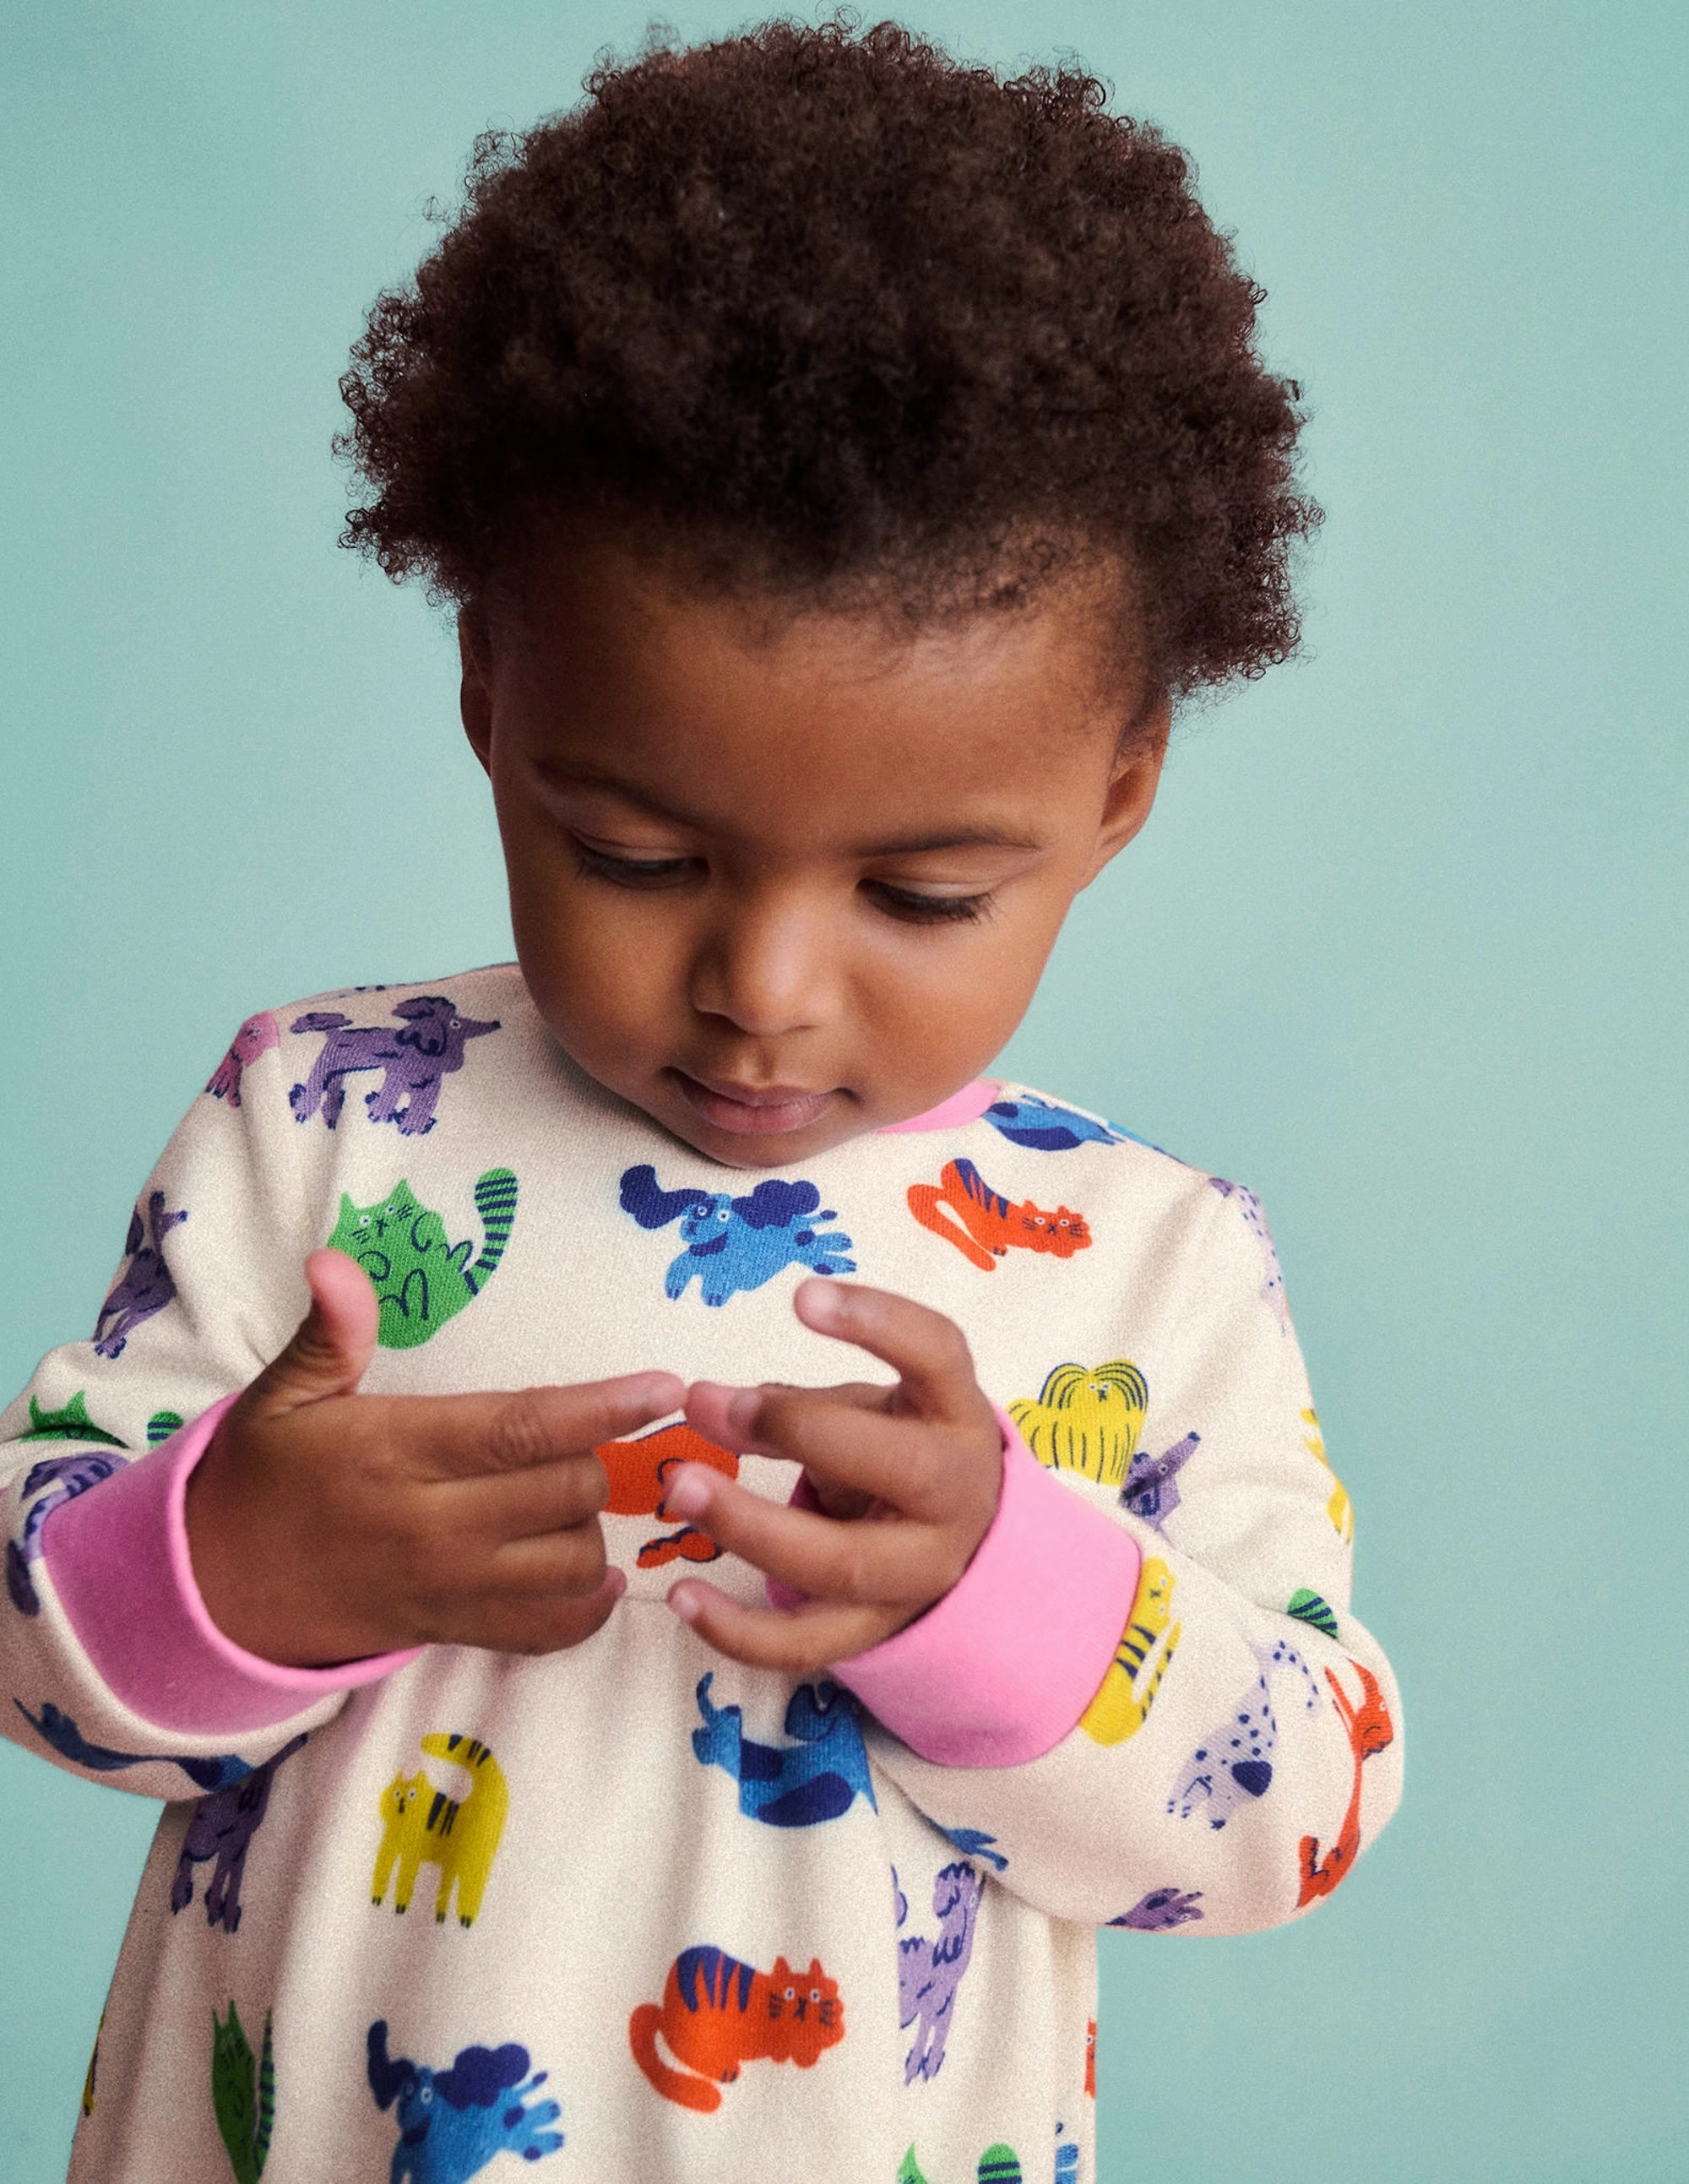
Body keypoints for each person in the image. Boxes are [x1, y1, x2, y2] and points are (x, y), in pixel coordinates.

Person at [1, 19, 1401, 2181]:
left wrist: (1000, 1594)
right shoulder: (330, 1118)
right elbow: (33, 1649)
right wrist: (239, 1557)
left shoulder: (1148, 1265)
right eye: (637, 858)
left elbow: (1297, 1801)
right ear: (489, 689)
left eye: (921, 891)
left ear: (1114, 790)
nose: (757, 988)